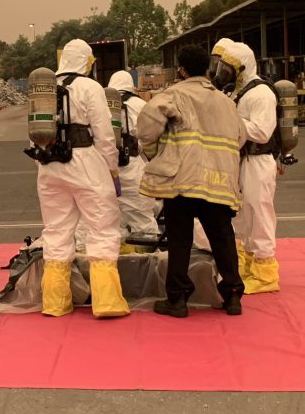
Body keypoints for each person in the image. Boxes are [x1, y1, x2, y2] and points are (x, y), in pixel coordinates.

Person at [138, 45, 246, 317]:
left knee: (180, 239)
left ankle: (177, 300)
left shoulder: (174, 95)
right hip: (218, 179)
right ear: (208, 70)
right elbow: (240, 137)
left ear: (182, 70)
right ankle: (232, 295)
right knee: (222, 237)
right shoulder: (226, 101)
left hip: (183, 179)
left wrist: (155, 154)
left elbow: (147, 125)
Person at [38, 39, 129, 318]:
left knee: (56, 231)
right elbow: (104, 134)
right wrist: (112, 170)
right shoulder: (90, 87)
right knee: (101, 228)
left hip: (50, 166)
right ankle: (107, 301)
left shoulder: (44, 87)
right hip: (85, 163)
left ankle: (55, 302)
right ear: (86, 62)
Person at [216, 42, 280, 294]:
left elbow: (263, 132)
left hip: (258, 160)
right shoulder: (240, 92)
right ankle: (246, 265)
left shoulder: (261, 93)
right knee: (243, 214)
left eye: (227, 68)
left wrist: (232, 123)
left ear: (241, 67)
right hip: (242, 160)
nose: (223, 73)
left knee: (259, 212)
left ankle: (266, 274)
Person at [108, 70, 159, 243]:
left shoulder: (101, 102)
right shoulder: (139, 104)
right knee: (142, 220)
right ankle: (145, 263)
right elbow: (151, 136)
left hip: (106, 170)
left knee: (113, 222)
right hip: (131, 167)